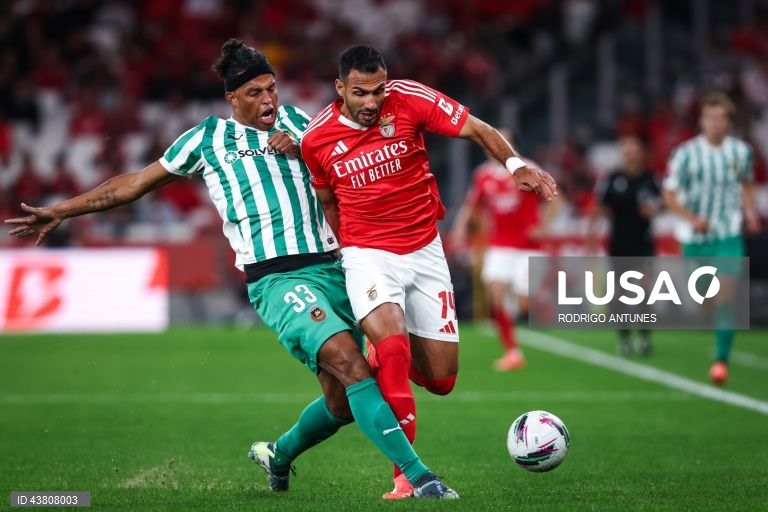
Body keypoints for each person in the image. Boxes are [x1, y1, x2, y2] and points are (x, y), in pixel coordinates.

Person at [4, 39, 458, 500]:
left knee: (341, 403)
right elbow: (134, 184)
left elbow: (348, 163)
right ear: (232, 99)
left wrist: (301, 150)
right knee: (350, 364)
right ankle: (420, 478)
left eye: (272, 89)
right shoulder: (207, 139)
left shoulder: (302, 124)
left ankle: (278, 455)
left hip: (335, 267)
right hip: (277, 278)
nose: (268, 100)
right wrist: (63, 210)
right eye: (255, 93)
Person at [301, 45, 557, 499]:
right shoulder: (316, 138)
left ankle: (381, 356)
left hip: (424, 249)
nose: (371, 102)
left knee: (441, 380)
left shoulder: (410, 98)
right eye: (360, 93)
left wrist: (515, 165)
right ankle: (407, 477)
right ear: (340, 88)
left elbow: (477, 128)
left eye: (378, 91)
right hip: (367, 252)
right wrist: (346, 251)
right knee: (394, 348)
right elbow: (327, 201)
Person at [662, 91, 760, 385]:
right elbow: (669, 194)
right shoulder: (685, 154)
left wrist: (750, 212)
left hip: (728, 234)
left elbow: (747, 183)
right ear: (702, 121)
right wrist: (692, 218)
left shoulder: (741, 152)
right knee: (705, 302)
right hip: (695, 237)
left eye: (721, 118)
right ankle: (713, 325)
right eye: (710, 117)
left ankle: (721, 361)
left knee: (726, 296)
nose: (716, 123)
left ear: (728, 121)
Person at [451, 128, 560, 371]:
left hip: (528, 247)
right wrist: (460, 228)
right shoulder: (483, 175)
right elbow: (472, 206)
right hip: (499, 245)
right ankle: (512, 351)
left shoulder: (528, 169)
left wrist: (543, 226)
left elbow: (555, 199)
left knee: (523, 304)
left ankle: (541, 305)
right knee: (495, 295)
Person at [589, 134, 661, 357]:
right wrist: (590, 237)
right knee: (621, 292)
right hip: (619, 241)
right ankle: (625, 338)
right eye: (626, 149)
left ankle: (644, 337)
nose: (630, 153)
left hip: (643, 241)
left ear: (641, 152)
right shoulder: (612, 178)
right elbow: (598, 206)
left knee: (643, 289)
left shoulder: (651, 179)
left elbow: (663, 202)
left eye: (633, 149)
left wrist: (654, 209)